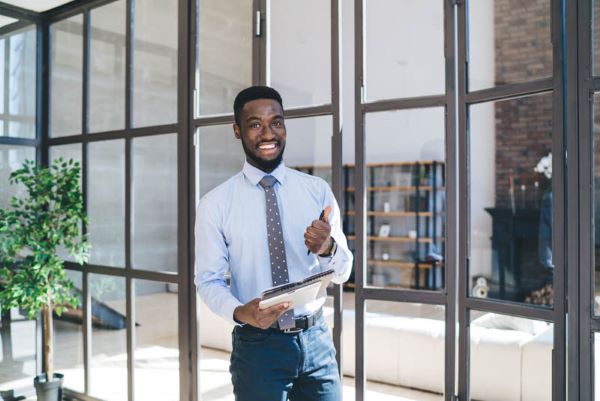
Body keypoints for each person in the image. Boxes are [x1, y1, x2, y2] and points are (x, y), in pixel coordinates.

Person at [194, 85, 353, 401]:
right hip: (258, 347)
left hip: (317, 341)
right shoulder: (216, 204)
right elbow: (208, 280)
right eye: (255, 124)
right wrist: (241, 312)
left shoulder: (316, 191)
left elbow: (343, 272)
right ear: (238, 130)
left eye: (276, 122)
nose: (268, 133)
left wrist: (329, 249)